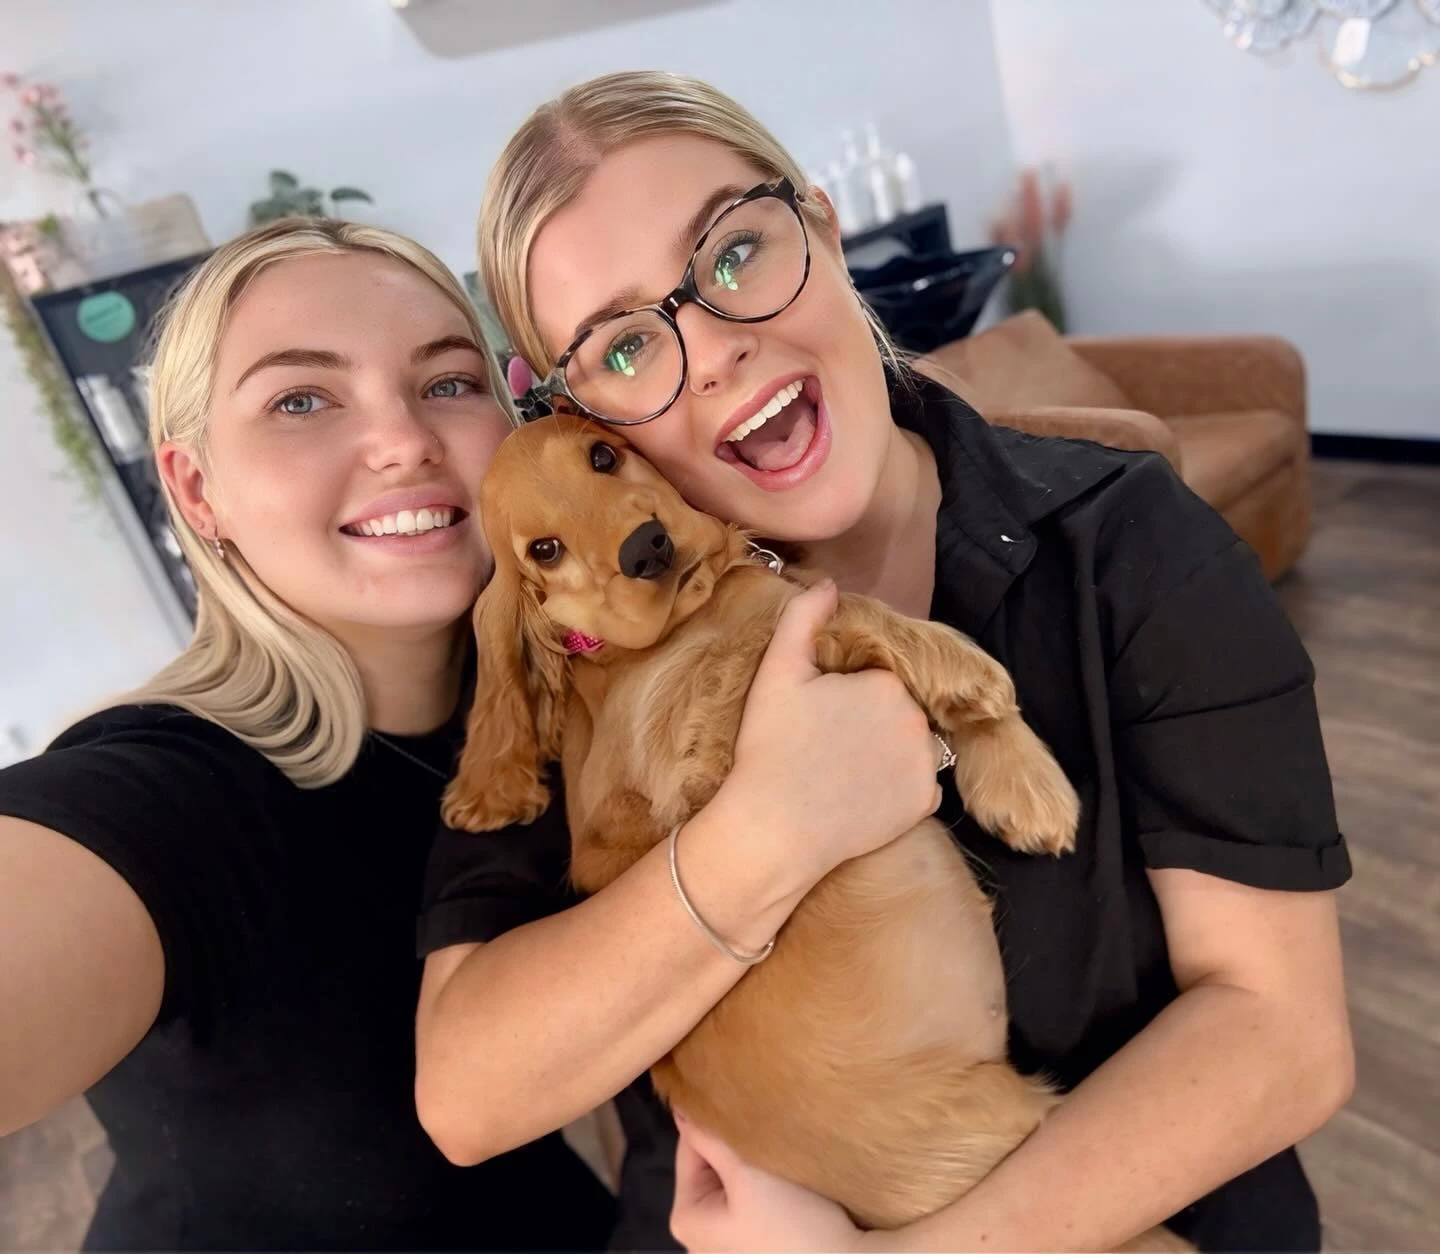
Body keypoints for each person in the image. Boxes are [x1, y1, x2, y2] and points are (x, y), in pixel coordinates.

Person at [415, 72, 1354, 1253]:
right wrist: (767, 835)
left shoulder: (1131, 546)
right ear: (581, 416)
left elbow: (1282, 1034)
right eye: (626, 346)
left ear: (821, 225)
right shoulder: (566, 656)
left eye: (735, 254)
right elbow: (470, 1097)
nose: (714, 352)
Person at [0, 217, 926, 1250]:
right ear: (196, 489)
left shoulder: (561, 697)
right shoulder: (162, 799)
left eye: (447, 382)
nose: (404, 439)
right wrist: (777, 829)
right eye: (300, 400)